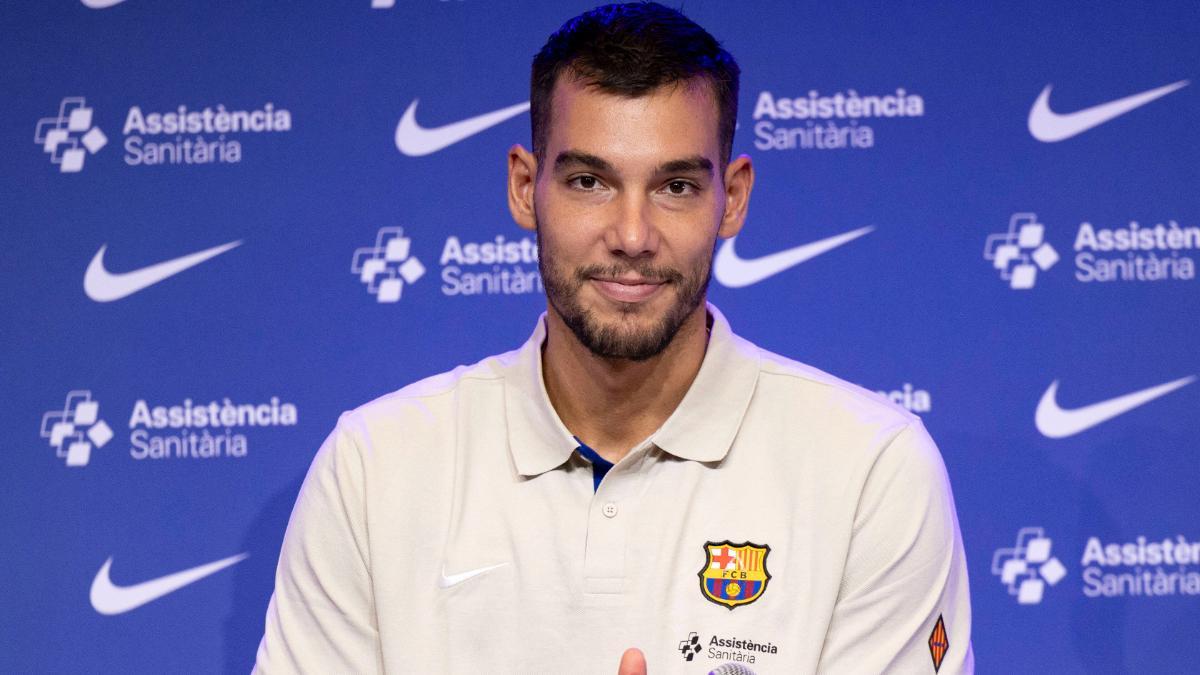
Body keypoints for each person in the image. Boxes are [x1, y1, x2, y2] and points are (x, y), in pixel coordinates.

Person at [254, 3, 973, 673]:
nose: (632, 236)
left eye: (677, 187)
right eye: (590, 181)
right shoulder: (376, 467)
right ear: (523, 186)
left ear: (735, 198)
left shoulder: (871, 470)